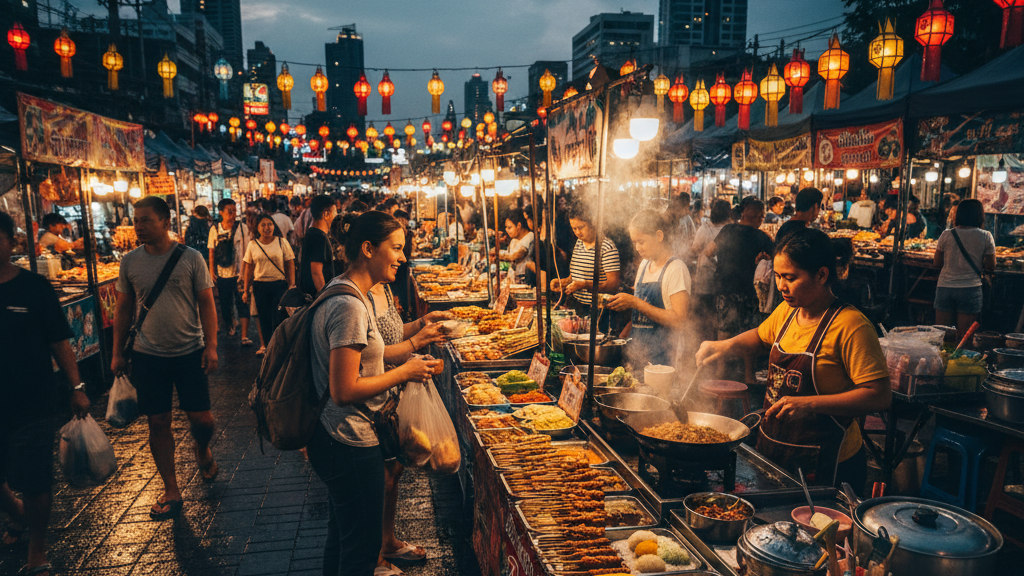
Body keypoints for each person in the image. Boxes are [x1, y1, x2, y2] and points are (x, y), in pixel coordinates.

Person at [698, 227, 890, 487]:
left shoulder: (851, 326)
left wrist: (809, 404)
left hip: (829, 463)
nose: (780, 286)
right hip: (776, 452)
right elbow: (760, 336)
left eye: (790, 277)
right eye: (777, 276)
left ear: (822, 275)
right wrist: (722, 345)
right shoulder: (787, 312)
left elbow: (878, 395)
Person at [307, 211, 441, 576]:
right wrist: (407, 370)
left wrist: (415, 340)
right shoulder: (349, 305)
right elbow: (344, 389)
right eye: (396, 248)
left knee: (342, 538)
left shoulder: (353, 293)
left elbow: (372, 356)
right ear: (368, 248)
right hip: (347, 440)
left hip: (337, 438)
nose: (403, 257)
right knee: (361, 552)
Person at [111, 196, 219, 520]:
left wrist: (211, 346)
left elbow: (207, 304)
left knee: (202, 420)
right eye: (136, 220)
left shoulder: (191, 258)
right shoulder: (130, 262)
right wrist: (117, 352)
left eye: (146, 220)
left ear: (166, 222)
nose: (139, 226)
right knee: (157, 422)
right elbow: (123, 309)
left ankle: (202, 448)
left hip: (189, 352)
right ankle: (172, 489)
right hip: (148, 355)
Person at [0, 210, 89, 576]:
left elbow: (59, 342)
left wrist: (78, 386)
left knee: (36, 478)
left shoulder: (35, 288)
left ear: (11, 242)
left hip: (32, 401)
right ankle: (16, 512)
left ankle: (38, 548)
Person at [366, 281, 450, 574]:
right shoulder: (358, 297)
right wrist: (414, 348)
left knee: (394, 472)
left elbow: (393, 334)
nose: (402, 257)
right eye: (396, 248)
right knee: (381, 477)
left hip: (393, 394)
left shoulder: (384, 289)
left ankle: (387, 541)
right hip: (373, 400)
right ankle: (374, 556)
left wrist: (420, 324)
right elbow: (375, 352)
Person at [607, 209, 690, 369]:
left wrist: (635, 302)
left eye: (641, 241)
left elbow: (679, 319)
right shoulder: (645, 265)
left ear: (659, 236)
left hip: (664, 359)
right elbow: (640, 313)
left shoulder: (676, 269)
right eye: (634, 242)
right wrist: (623, 337)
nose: (637, 247)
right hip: (638, 354)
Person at [706, 197, 773, 384]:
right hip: (748, 291)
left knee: (724, 331)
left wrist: (720, 267)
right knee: (747, 333)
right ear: (759, 216)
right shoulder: (762, 237)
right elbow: (775, 258)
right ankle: (748, 375)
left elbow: (708, 252)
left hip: (725, 287)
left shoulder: (727, 230)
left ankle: (721, 371)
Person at [933, 199, 995, 341]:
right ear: (980, 216)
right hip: (970, 288)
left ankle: (941, 361)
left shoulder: (946, 234)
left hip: (945, 287)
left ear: (959, 214)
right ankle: (960, 361)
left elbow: (936, 263)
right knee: (964, 338)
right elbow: (991, 266)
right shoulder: (985, 236)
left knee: (941, 336)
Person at [549, 205, 621, 322]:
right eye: (574, 228)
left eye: (581, 227)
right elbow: (577, 275)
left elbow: (613, 285)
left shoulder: (607, 248)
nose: (578, 232)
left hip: (598, 311)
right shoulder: (579, 243)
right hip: (578, 306)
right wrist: (565, 282)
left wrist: (585, 285)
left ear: (593, 223)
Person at [242, 213, 296, 356]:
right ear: (257, 228)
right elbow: (248, 267)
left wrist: (292, 284)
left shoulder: (281, 242)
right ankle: (269, 348)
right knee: (264, 318)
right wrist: (245, 289)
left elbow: (290, 262)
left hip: (279, 285)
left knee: (279, 318)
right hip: (260, 286)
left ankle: (281, 347)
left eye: (270, 224)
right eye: (263, 225)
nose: (267, 228)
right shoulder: (253, 245)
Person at [207, 198, 250, 342]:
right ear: (221, 212)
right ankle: (230, 325)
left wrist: (248, 271)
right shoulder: (214, 229)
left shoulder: (242, 228)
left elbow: (248, 251)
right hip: (222, 273)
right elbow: (211, 251)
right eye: (229, 211)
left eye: (234, 211)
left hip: (239, 274)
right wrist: (211, 271)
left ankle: (244, 334)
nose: (232, 214)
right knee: (225, 303)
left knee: (242, 302)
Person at [690, 199, 733, 343]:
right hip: (724, 279)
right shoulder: (731, 229)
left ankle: (705, 341)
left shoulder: (705, 228)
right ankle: (716, 341)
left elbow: (695, 248)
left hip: (705, 277)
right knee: (720, 313)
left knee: (705, 313)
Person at [299, 195, 339, 298]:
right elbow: (316, 272)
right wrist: (324, 297)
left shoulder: (311, 233)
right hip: (316, 296)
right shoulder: (319, 237)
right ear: (326, 214)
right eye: (335, 212)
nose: (336, 215)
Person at [498, 210, 535, 281]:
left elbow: (515, 256)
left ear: (518, 226)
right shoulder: (514, 241)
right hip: (514, 280)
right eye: (506, 228)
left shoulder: (530, 237)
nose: (507, 230)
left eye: (509, 227)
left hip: (525, 280)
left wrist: (498, 254)